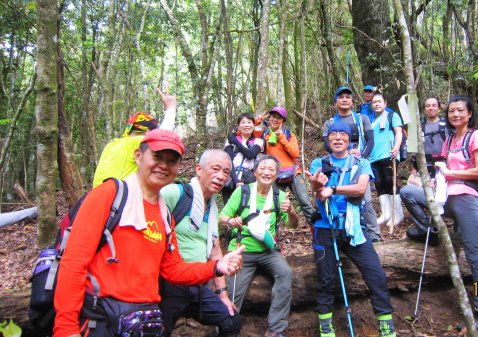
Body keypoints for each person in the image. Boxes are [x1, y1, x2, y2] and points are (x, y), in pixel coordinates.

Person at [53, 129, 245, 337]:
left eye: (172, 161)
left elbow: (173, 269)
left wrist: (217, 266)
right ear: (138, 155)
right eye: (157, 156)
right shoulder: (109, 195)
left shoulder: (164, 214)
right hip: (100, 317)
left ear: (178, 167)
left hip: (142, 319)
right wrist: (66, 329)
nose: (163, 165)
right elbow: (73, 263)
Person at [400, 96, 478, 330]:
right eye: (452, 111)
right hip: (444, 198)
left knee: (474, 254)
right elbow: (440, 169)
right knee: (408, 192)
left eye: (460, 111)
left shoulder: (476, 136)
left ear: (469, 113)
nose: (455, 115)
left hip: (466, 199)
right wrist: (435, 181)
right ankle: (427, 229)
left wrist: (450, 173)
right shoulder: (450, 139)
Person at [308, 121, 397, 337]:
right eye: (333, 135)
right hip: (325, 227)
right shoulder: (318, 163)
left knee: (376, 275)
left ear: (349, 139)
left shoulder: (361, 162)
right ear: (328, 139)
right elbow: (318, 193)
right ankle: (326, 326)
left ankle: (385, 323)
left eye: (343, 134)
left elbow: (360, 189)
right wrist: (318, 186)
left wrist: (334, 188)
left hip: (354, 229)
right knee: (326, 279)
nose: (338, 138)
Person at [159, 149, 242, 337]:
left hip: (197, 284)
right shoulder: (174, 194)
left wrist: (222, 295)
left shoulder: (212, 208)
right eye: (215, 169)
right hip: (169, 284)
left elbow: (215, 253)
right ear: (199, 169)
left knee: (231, 320)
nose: (221, 176)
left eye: (226, 172)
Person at [219, 155, 297, 337]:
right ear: (255, 172)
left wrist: (291, 211)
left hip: (269, 250)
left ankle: (276, 330)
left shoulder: (280, 195)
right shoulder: (243, 192)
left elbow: (293, 225)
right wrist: (232, 220)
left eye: (271, 169)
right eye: (262, 168)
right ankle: (228, 330)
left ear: (277, 174)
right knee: (233, 292)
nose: (267, 172)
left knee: (286, 273)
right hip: (241, 249)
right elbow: (222, 218)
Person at [322, 87, 380, 242]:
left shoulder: (362, 119)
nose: (345, 99)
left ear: (352, 101)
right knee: (339, 197)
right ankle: (341, 232)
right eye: (341, 97)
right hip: (337, 165)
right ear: (336, 102)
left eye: (348, 97)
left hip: (359, 165)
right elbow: (328, 145)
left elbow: (370, 140)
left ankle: (374, 235)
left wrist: (361, 157)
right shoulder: (330, 123)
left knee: (365, 199)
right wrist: (347, 151)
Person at [92, 87, 177, 187]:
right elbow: (163, 135)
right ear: (148, 132)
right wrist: (171, 107)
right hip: (116, 199)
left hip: (96, 196)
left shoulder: (111, 145)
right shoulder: (137, 143)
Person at [401, 96, 450, 244]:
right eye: (428, 106)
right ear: (424, 109)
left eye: (434, 106)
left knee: (442, 198)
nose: (431, 108)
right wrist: (414, 170)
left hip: (444, 170)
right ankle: (427, 228)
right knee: (411, 193)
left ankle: (452, 232)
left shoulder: (447, 126)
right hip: (425, 170)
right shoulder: (419, 128)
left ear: (439, 108)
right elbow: (415, 153)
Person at [262, 106, 314, 222]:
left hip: (293, 173)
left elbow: (295, 153)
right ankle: (273, 234)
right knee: (274, 206)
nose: (275, 119)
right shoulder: (265, 135)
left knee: (305, 202)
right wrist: (256, 121)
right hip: (276, 175)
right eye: (273, 116)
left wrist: (282, 138)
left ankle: (316, 231)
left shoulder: (289, 134)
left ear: (283, 121)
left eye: (279, 118)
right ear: (269, 118)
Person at [368, 93, 404, 229]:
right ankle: (386, 213)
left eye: (379, 101)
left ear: (385, 103)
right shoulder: (372, 121)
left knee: (390, 182)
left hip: (388, 154)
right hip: (374, 158)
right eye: (374, 102)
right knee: (379, 185)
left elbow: (398, 132)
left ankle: (397, 214)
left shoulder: (391, 116)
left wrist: (396, 147)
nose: (377, 104)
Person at [222, 113, 265, 202]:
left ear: (254, 125)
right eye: (243, 122)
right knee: (229, 210)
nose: (246, 125)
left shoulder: (258, 141)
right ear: (238, 126)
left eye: (249, 122)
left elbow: (250, 154)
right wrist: (236, 181)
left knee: (248, 209)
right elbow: (228, 161)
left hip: (249, 179)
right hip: (231, 178)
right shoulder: (230, 140)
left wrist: (236, 142)